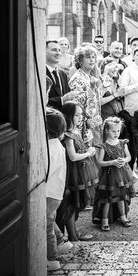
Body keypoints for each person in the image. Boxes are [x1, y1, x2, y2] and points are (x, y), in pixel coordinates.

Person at [59, 101, 99, 241]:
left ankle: (74, 233)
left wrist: (88, 146)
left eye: (81, 114)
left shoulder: (76, 131)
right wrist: (88, 153)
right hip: (73, 173)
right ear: (69, 116)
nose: (80, 117)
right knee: (71, 203)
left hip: (81, 170)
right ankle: (72, 236)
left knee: (76, 204)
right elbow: (73, 156)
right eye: (77, 115)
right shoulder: (67, 135)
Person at [94, 117, 134, 231]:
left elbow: (129, 157)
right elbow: (99, 162)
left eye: (118, 131)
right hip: (108, 176)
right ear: (106, 130)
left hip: (122, 175)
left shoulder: (122, 143)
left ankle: (123, 217)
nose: (116, 133)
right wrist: (112, 162)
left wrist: (124, 161)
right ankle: (104, 220)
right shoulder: (103, 146)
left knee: (121, 196)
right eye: (113, 131)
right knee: (107, 198)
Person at [45, 107, 73, 271]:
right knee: (48, 219)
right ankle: (62, 241)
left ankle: (51, 258)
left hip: (49, 191)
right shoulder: (57, 144)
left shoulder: (48, 148)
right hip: (56, 191)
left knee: (46, 225)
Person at [68, 44, 104, 146]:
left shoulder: (90, 77)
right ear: (80, 60)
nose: (92, 60)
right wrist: (87, 120)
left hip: (95, 123)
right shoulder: (78, 79)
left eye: (93, 57)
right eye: (88, 57)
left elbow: (95, 100)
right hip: (84, 126)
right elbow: (77, 104)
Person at [46, 40, 78, 111]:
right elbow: (41, 99)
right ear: (44, 52)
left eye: (59, 50)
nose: (58, 53)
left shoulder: (62, 73)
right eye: (54, 50)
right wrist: (62, 99)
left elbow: (67, 94)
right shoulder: (41, 73)